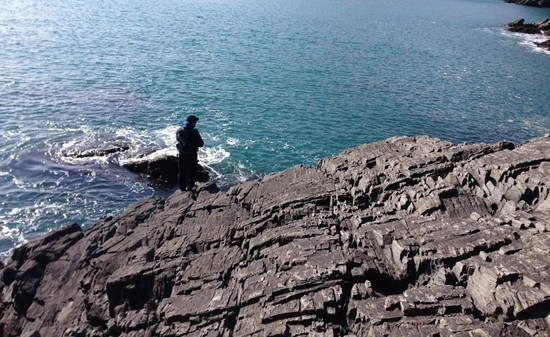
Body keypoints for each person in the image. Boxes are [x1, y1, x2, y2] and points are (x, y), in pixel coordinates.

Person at [176, 115, 204, 191]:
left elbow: (179, 140)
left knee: (182, 171)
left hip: (182, 154)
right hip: (192, 154)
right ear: (193, 122)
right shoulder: (195, 132)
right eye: (195, 122)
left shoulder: (179, 131)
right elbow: (201, 144)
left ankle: (182, 188)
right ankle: (190, 187)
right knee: (192, 171)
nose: (195, 123)